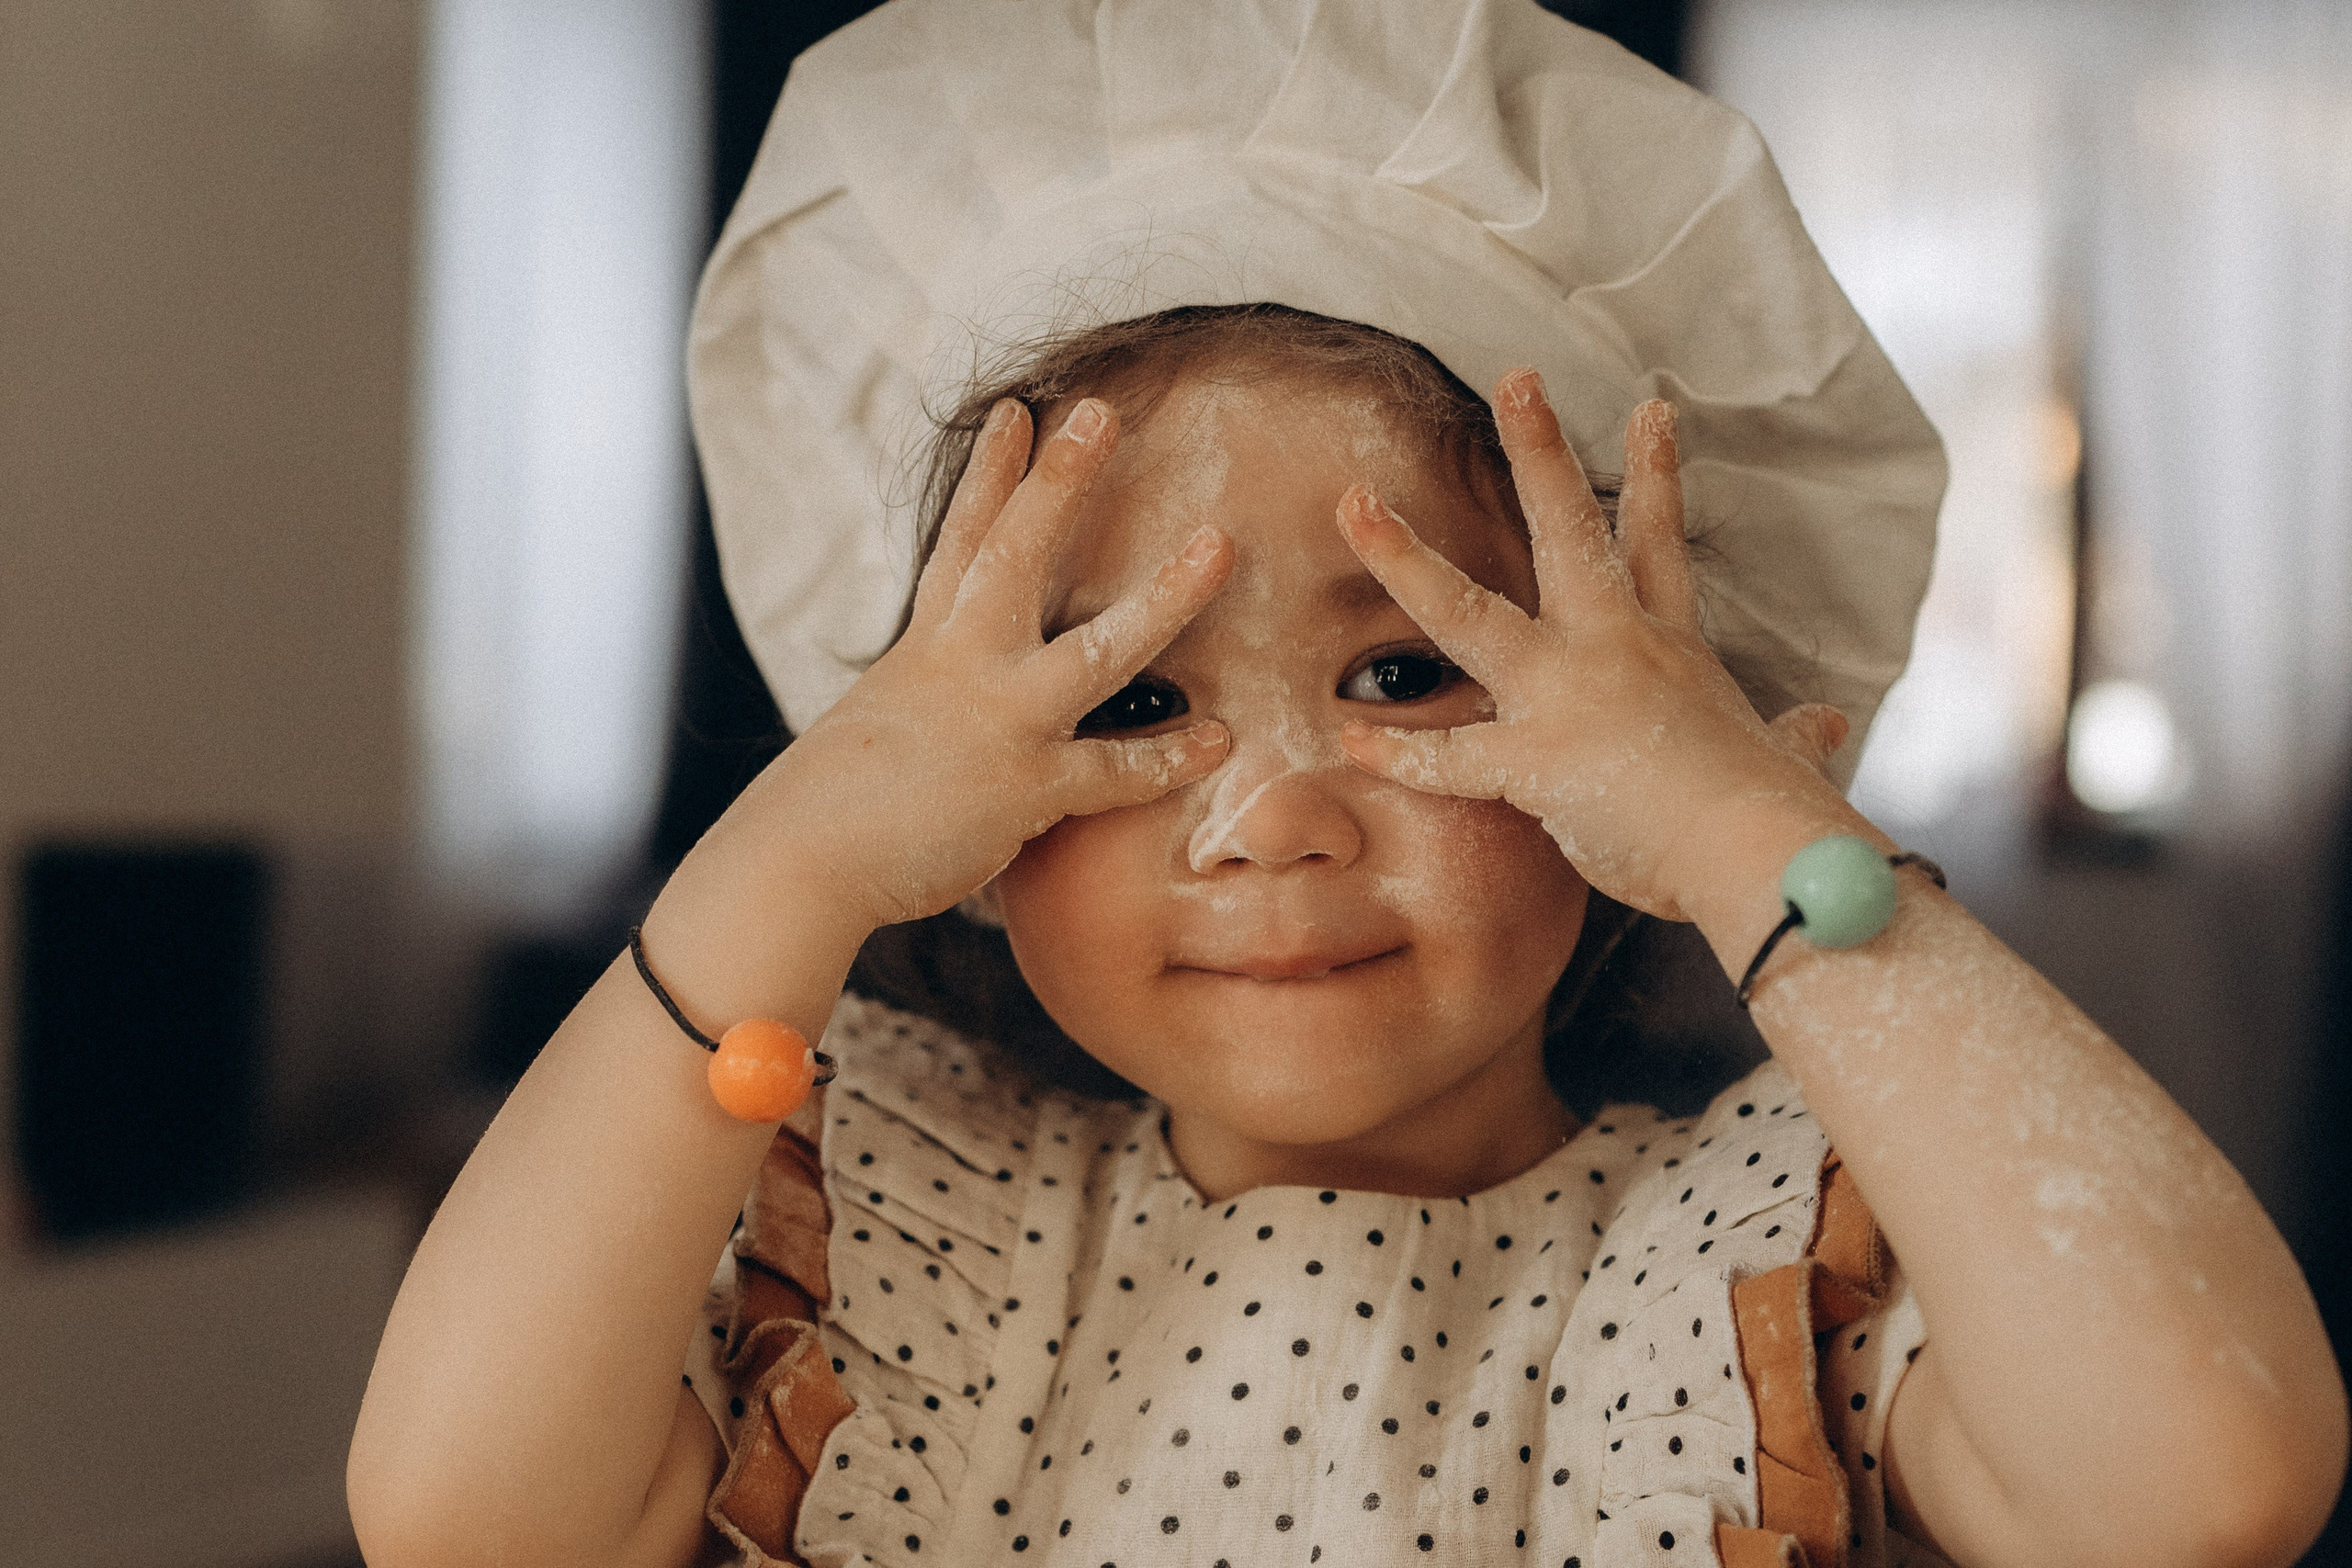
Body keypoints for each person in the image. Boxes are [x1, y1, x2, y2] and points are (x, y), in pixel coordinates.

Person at [346, 5, 2346, 1567]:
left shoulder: (1766, 1263)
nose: (1269, 815)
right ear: (936, 819)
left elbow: (2198, 1485)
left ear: (1638, 756)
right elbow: (456, 1512)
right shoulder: (867, 1223)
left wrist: (1766, 842)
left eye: (1404, 670)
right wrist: (789, 867)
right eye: (1126, 697)